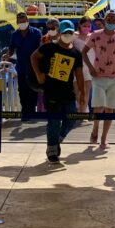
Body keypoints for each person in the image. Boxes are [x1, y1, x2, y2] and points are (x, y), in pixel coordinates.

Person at [31, 20, 86, 164]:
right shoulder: (49, 47)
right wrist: (38, 74)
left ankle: (57, 141)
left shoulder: (76, 53)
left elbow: (79, 75)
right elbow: (34, 57)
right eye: (65, 32)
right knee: (54, 121)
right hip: (51, 91)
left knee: (71, 119)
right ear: (60, 33)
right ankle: (52, 150)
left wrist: (83, 94)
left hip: (68, 92)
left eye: (70, 32)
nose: (68, 35)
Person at [83, 11, 115, 150]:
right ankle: (95, 129)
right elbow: (84, 52)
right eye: (108, 20)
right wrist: (91, 67)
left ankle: (104, 138)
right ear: (105, 22)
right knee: (98, 107)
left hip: (114, 77)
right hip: (98, 76)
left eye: (113, 21)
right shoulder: (96, 35)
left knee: (110, 109)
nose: (111, 23)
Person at [5, 13, 43, 115]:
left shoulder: (37, 33)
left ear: (28, 21)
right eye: (20, 22)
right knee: (22, 91)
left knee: (33, 91)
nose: (23, 23)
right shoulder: (14, 35)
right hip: (21, 67)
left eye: (24, 21)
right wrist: (7, 57)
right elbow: (11, 48)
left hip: (34, 68)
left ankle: (31, 113)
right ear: (17, 22)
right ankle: (26, 113)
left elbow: (41, 48)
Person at [73, 17, 94, 113]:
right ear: (79, 26)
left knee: (87, 92)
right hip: (77, 68)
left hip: (89, 68)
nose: (86, 27)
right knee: (78, 92)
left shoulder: (93, 36)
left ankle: (83, 113)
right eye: (84, 26)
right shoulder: (74, 36)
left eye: (88, 26)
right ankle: (81, 112)